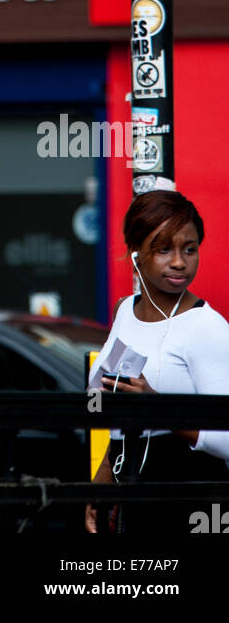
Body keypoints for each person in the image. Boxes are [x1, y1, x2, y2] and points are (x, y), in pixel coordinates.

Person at [85, 189, 229, 534]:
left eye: (189, 249)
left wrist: (156, 406)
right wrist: (98, 486)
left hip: (190, 502)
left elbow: (227, 438)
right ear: (136, 253)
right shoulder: (125, 310)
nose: (179, 262)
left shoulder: (207, 327)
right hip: (132, 491)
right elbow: (120, 407)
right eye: (164, 249)